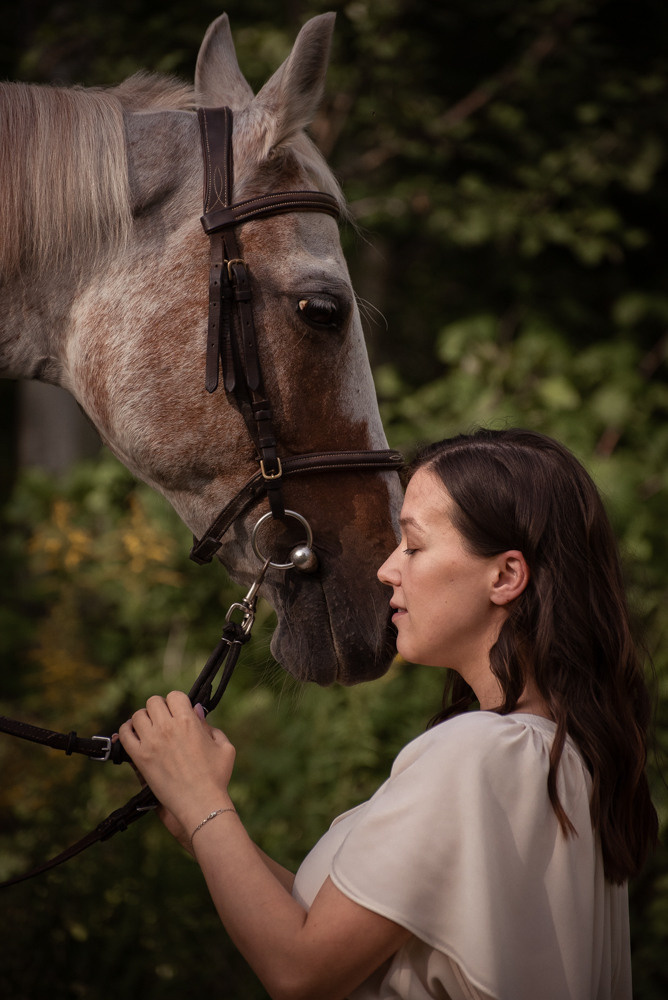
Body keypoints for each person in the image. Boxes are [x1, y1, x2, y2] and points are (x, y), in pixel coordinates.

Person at [119, 427, 658, 1000]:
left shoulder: (478, 753)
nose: (386, 570)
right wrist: (203, 824)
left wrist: (206, 801)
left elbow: (301, 971)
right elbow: (331, 933)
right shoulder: (564, 759)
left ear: (505, 576)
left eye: (414, 546)